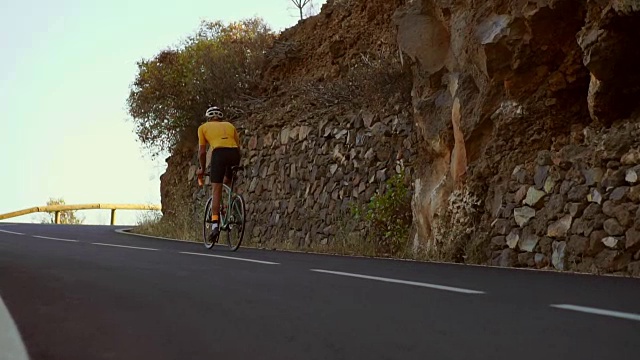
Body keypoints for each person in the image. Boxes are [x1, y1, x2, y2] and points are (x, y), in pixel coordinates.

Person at [196, 106, 241, 243]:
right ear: (220, 117)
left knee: (216, 189)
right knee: (227, 181)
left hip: (219, 154)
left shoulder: (203, 128)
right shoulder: (230, 125)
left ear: (208, 118)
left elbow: (202, 152)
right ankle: (230, 208)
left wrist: (202, 169)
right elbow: (238, 147)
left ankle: (215, 226)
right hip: (234, 154)